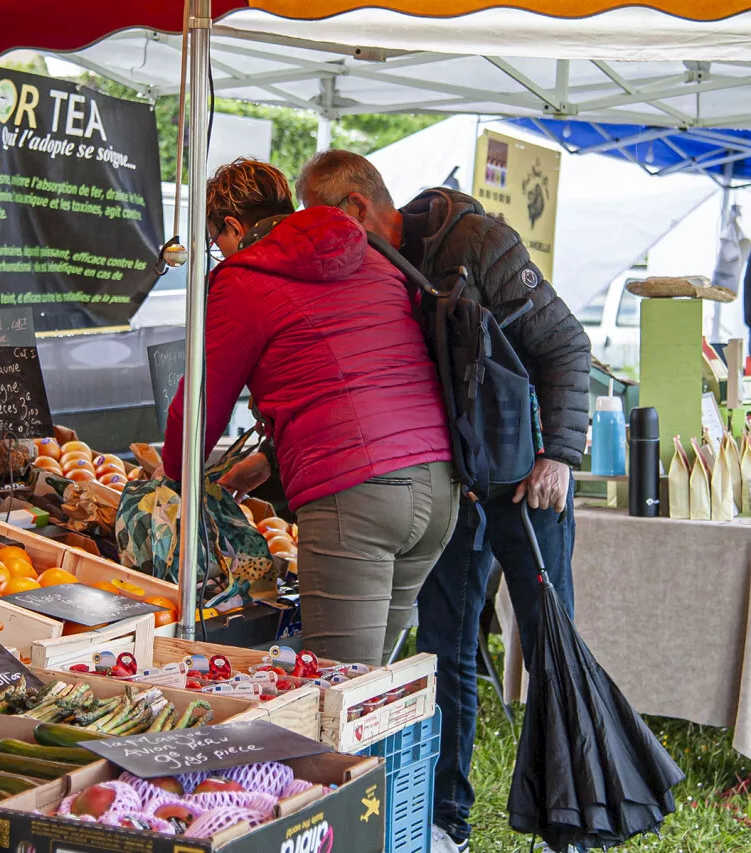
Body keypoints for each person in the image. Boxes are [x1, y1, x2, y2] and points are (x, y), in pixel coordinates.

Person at [290, 150, 591, 853]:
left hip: (528, 474)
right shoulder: (378, 267)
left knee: (549, 642)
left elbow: (566, 344)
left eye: (323, 223)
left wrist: (559, 455)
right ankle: (447, 817)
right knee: (445, 644)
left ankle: (570, 821)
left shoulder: (478, 242)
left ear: (359, 209)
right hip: (456, 479)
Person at [160, 158, 457, 668]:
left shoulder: (244, 278)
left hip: (356, 494)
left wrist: (171, 476)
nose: (221, 254)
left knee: (337, 691)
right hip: (438, 485)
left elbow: (199, 410)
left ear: (233, 227)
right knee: (371, 691)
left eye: (217, 242)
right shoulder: (372, 255)